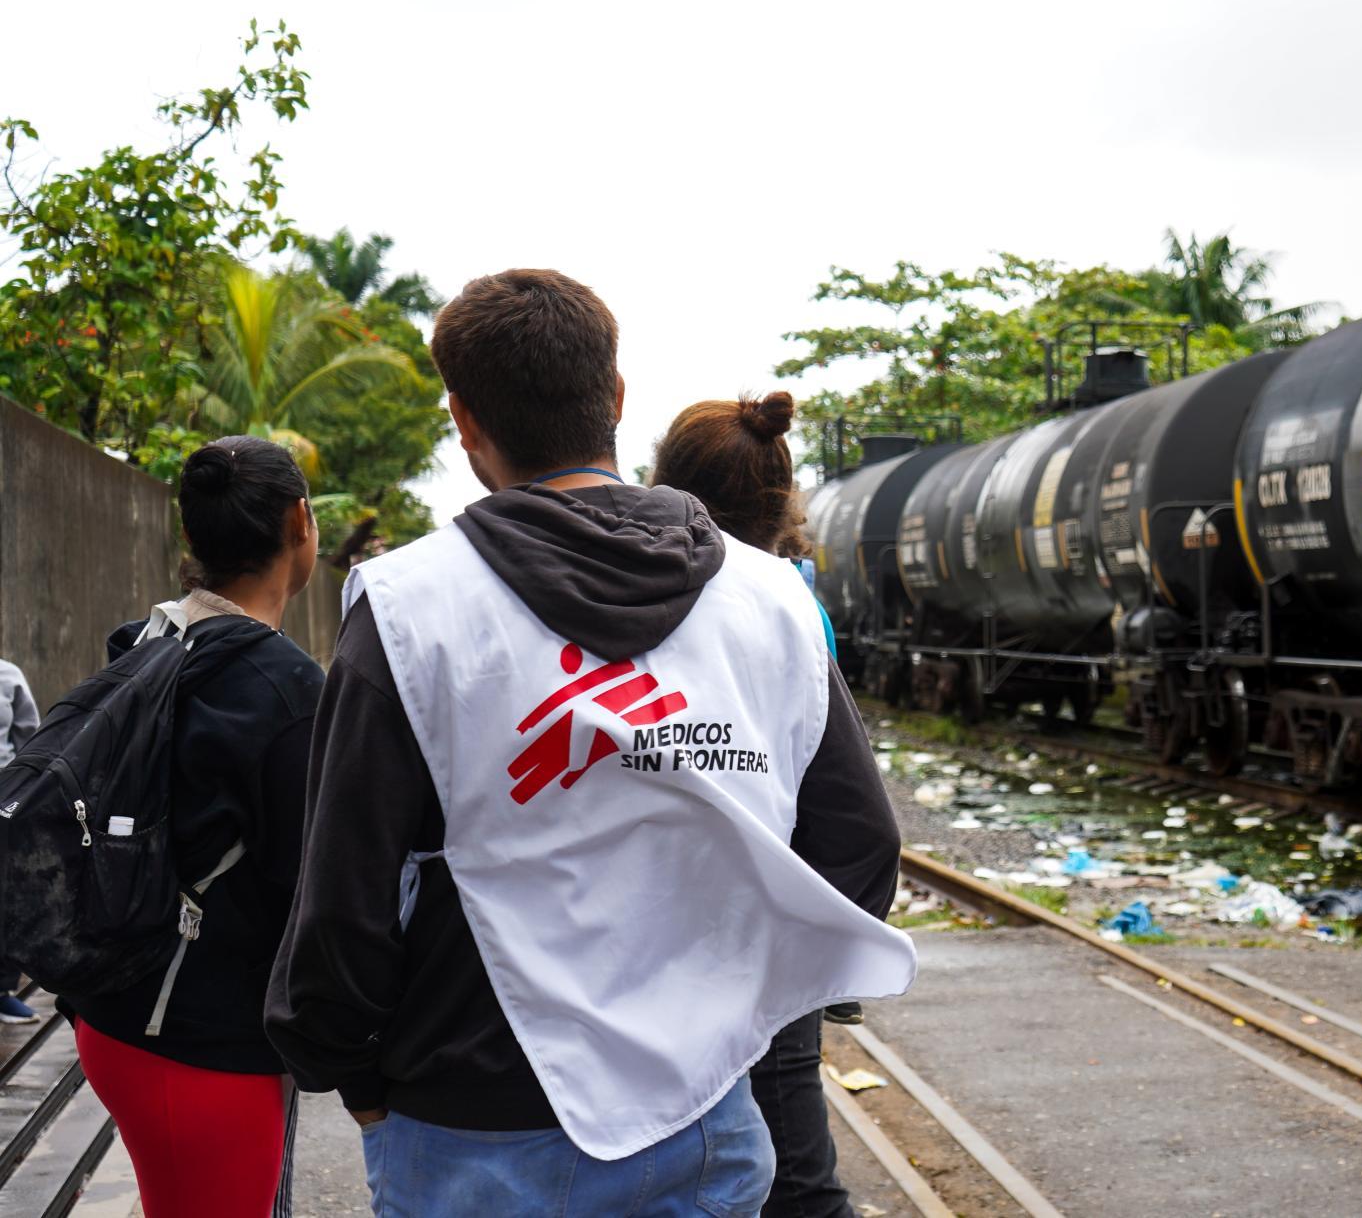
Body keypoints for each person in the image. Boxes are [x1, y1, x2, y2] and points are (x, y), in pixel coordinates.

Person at [267, 270, 915, 1215]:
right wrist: (723, 1013)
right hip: (706, 1121)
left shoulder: (409, 609)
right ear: (615, 398)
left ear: (464, 423)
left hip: (471, 1125)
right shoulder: (774, 601)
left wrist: (355, 1080)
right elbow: (859, 854)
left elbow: (344, 897)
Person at [651, 392, 901, 1218]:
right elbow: (859, 824)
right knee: (797, 1172)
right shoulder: (796, 604)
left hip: (653, 933)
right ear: (782, 495)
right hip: (765, 934)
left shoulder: (640, 595)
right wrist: (827, 960)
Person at [69, 436, 323, 1218]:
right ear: (300, 523)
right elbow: (308, 890)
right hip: (205, 1048)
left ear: (192, 538)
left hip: (111, 1016)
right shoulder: (287, 692)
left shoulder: (143, 643)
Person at [0, 655, 41, 1025]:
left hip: (2, 800)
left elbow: (30, 739)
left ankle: (1, 991)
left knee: (7, 896)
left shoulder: (8, 675)